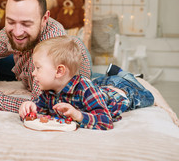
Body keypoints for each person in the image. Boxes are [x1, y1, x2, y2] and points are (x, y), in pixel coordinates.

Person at [19, 36, 155, 130]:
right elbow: (41, 111)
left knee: (148, 97)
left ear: (59, 71)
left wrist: (78, 115)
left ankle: (127, 76)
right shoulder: (49, 91)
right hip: (101, 87)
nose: (33, 73)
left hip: (123, 93)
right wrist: (29, 107)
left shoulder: (85, 89)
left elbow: (105, 122)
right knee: (100, 83)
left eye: (38, 68)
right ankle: (114, 74)